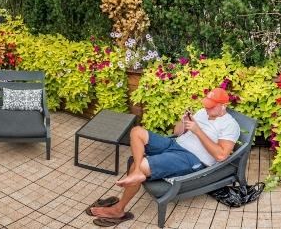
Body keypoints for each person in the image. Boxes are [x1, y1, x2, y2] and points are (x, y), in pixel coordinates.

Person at [89, 87, 240, 221]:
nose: (206, 109)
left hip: (191, 158)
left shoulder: (230, 125)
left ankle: (118, 210)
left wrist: (197, 131)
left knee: (140, 164)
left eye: (211, 107)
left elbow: (221, 156)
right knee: (137, 132)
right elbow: (177, 132)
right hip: (175, 144)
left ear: (223, 106)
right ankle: (136, 173)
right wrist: (184, 122)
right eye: (206, 105)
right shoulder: (201, 113)